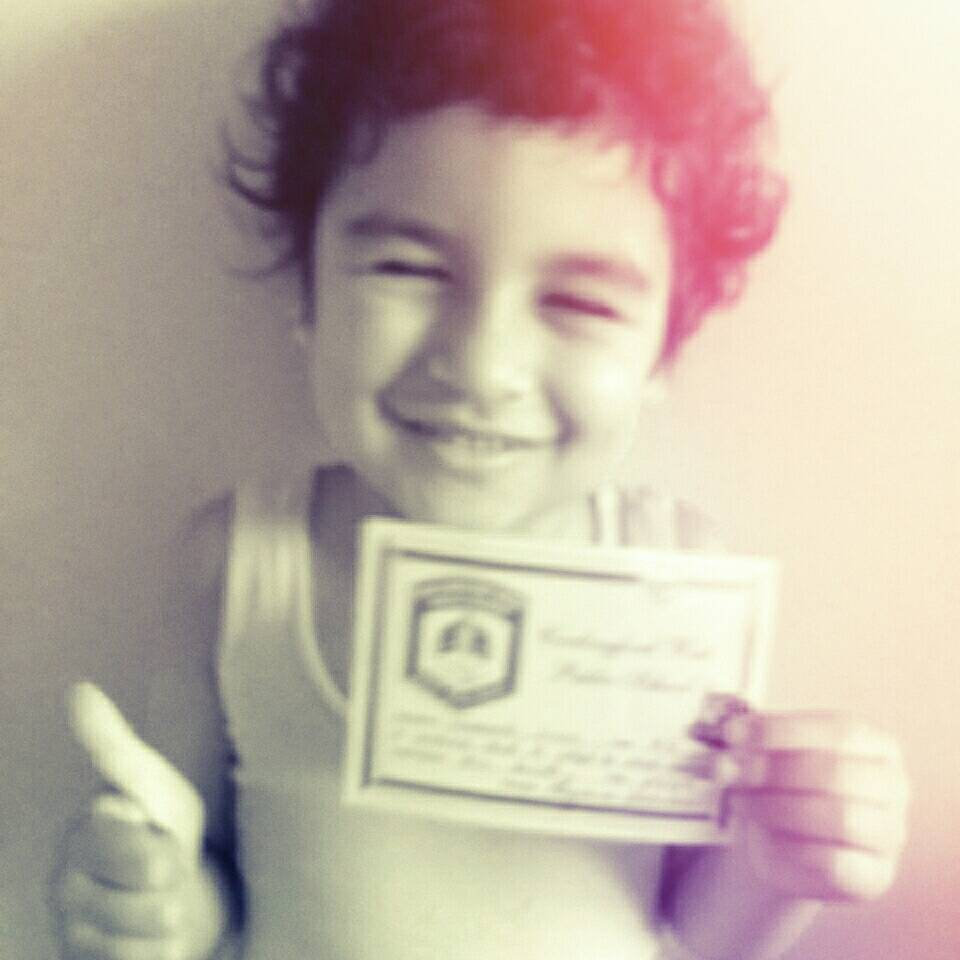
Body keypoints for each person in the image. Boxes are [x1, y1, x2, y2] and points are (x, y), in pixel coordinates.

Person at [54, 1, 910, 958]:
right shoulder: (240, 565)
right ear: (308, 289)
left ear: (664, 351)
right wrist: (156, 907)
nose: (481, 364)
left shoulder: (679, 579)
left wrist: (787, 861)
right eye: (407, 268)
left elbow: (698, 937)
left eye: (579, 300)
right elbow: (198, 867)